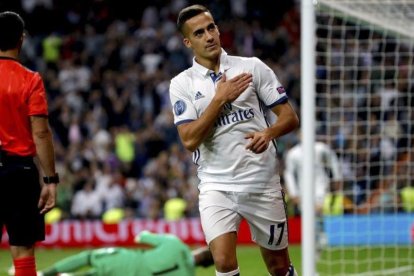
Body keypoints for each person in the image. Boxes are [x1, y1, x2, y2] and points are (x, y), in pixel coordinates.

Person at [169, 5, 300, 276]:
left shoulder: (251, 67)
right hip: (217, 185)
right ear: (187, 41)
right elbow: (189, 140)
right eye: (199, 33)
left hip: (261, 183)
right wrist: (219, 99)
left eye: (211, 28)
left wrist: (268, 133)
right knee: (224, 263)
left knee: (278, 267)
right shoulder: (182, 84)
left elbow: (289, 118)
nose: (209, 36)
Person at [0, 11, 59, 276]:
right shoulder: (30, 80)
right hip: (19, 173)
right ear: (21, 39)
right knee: (23, 251)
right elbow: (42, 134)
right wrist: (50, 180)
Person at [34, 231, 213, 276]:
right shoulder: (187, 274)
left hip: (125, 260)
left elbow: (141, 236)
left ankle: (43, 273)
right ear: (204, 267)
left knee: (88, 257)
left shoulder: (176, 243)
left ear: (199, 250)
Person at [283, 130, 343, 215]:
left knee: (320, 213)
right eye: (302, 134)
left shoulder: (321, 148)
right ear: (298, 136)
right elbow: (289, 174)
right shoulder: (293, 153)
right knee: (306, 216)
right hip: (302, 189)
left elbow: (334, 162)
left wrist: (337, 178)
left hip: (322, 186)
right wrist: (293, 193)